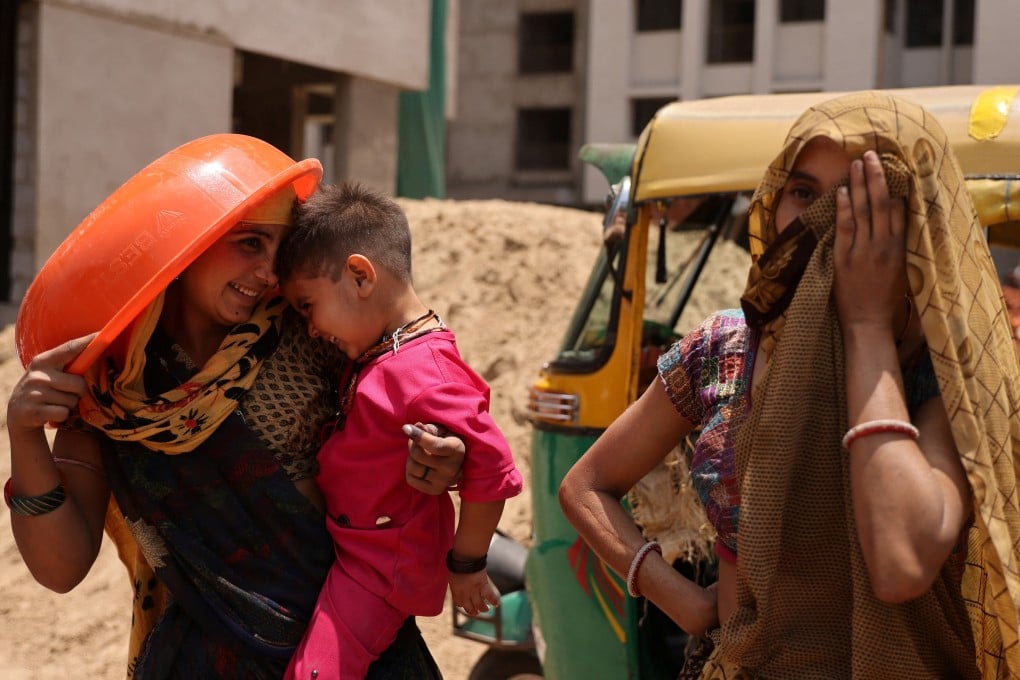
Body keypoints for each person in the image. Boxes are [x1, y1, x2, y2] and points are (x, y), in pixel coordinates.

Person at [561, 90, 1020, 678]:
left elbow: (901, 563)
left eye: (863, 199)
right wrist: (687, 602)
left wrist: (865, 327)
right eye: (803, 193)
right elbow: (587, 486)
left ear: (917, 221)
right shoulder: (725, 350)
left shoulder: (947, 374)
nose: (824, 223)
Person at [6, 167, 466, 678]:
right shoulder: (113, 389)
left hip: (348, 642)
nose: (271, 272)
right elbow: (60, 569)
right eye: (249, 243)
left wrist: (444, 454)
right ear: (186, 247)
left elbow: (421, 393)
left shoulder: (314, 334)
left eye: (281, 250)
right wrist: (24, 436)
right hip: (205, 655)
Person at [275, 181, 523, 679]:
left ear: (360, 276)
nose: (310, 329)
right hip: (358, 548)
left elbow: (492, 465)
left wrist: (468, 563)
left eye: (307, 306)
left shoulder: (421, 369)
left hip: (375, 566)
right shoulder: (388, 352)